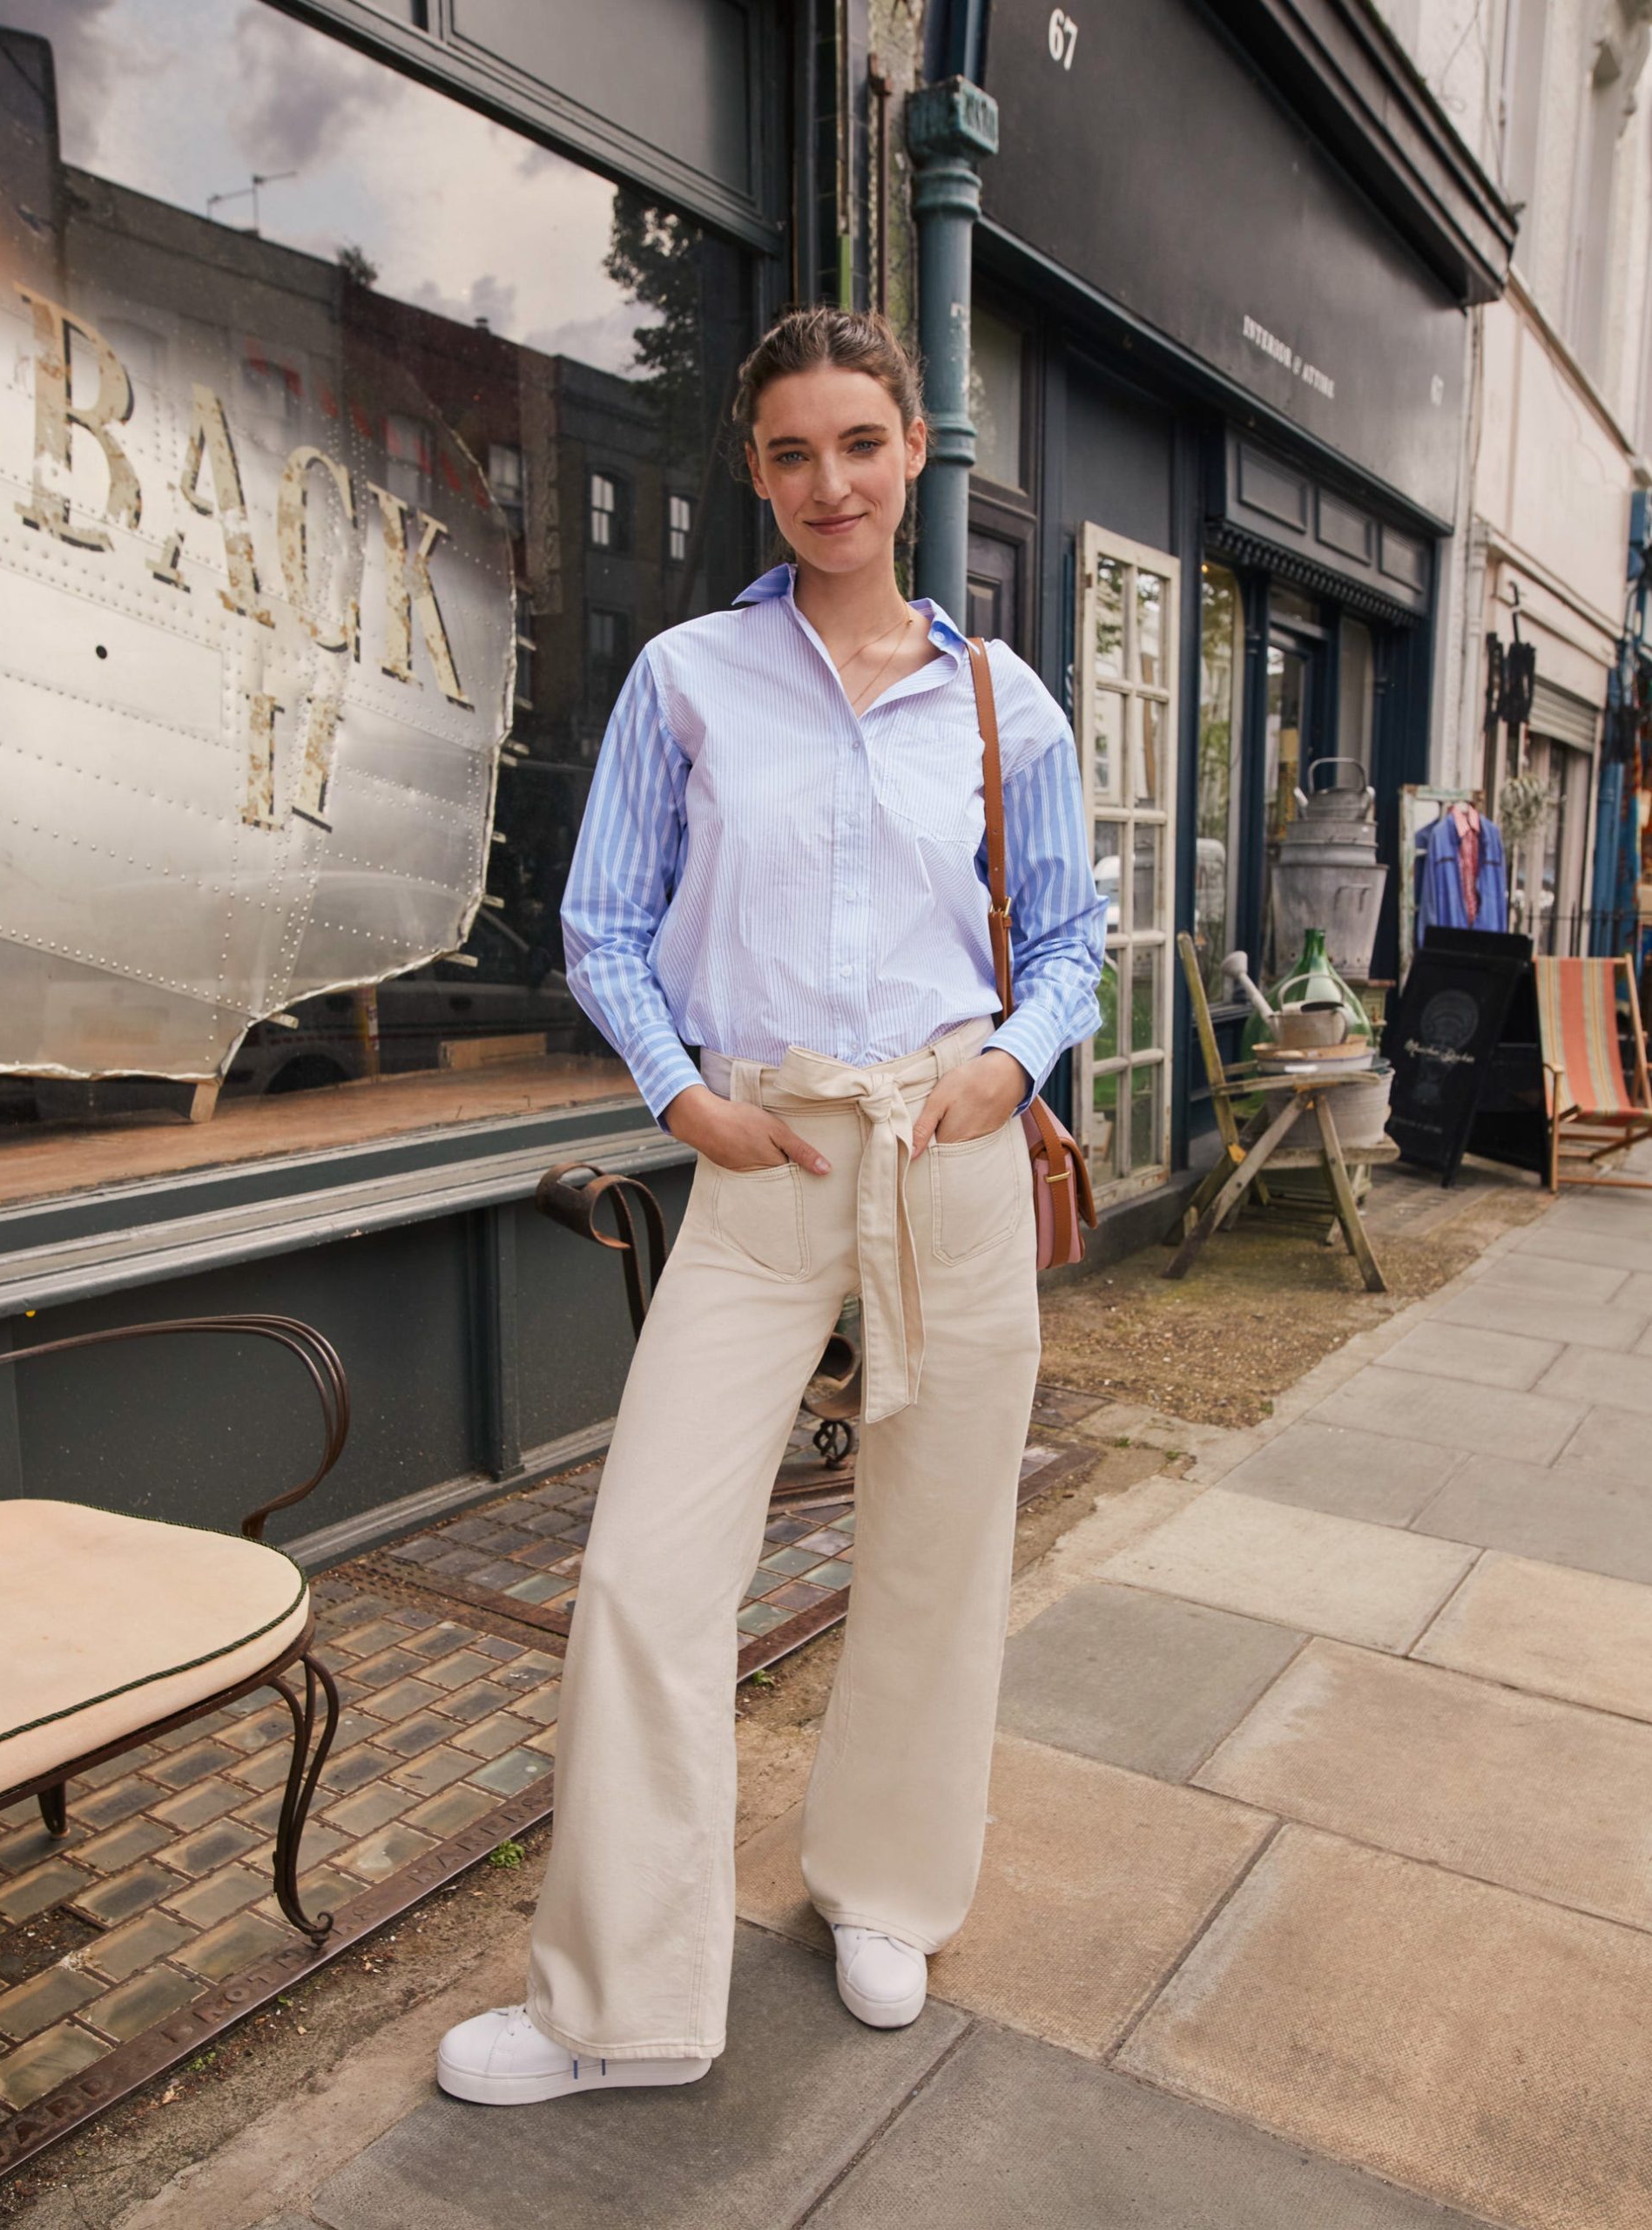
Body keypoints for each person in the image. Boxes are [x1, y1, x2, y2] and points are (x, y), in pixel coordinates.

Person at [436, 306, 1106, 2106]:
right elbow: (600, 923)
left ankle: (884, 1887)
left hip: (949, 1149)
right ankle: (616, 2005)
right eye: (794, 451)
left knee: (940, 1543)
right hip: (768, 1149)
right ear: (756, 466)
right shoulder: (684, 679)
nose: (831, 482)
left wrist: (1014, 1065)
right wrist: (684, 1099)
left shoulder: (1003, 699)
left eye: (861, 446)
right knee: (652, 1569)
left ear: (914, 455)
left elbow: (1067, 939)